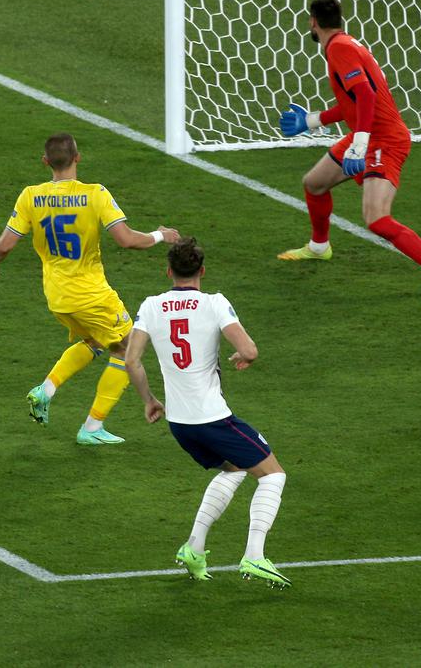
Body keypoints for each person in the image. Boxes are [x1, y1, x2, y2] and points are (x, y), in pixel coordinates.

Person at [0, 132, 180, 445]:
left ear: (46, 162)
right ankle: (92, 427)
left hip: (57, 296)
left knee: (94, 340)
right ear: (78, 157)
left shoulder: (30, 195)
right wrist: (159, 235)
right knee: (127, 350)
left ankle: (45, 391)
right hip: (91, 294)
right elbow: (127, 240)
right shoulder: (95, 194)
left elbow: (6, 244)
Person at [125, 237, 289, 587]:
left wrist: (150, 399)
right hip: (213, 418)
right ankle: (255, 556)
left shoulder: (152, 306)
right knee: (273, 475)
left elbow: (131, 360)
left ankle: (194, 547)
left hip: (180, 424)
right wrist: (243, 355)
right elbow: (250, 350)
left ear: (168, 271)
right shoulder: (214, 303)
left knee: (232, 471)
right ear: (202, 271)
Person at [277, 0, 421, 299]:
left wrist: (359, 145)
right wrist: (312, 121)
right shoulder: (345, 44)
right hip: (367, 134)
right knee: (314, 184)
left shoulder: (338, 49)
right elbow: (352, 101)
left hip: (384, 139)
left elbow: (365, 95)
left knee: (377, 218)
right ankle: (319, 247)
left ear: (313, 22)